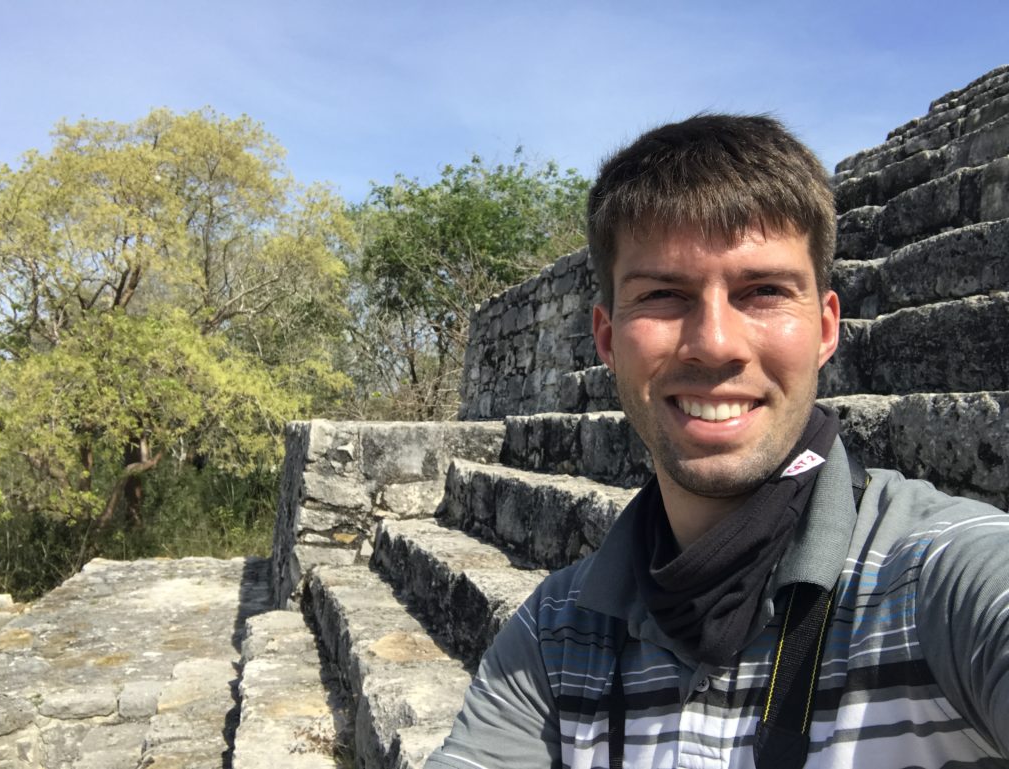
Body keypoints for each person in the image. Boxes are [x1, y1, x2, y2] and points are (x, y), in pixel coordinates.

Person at [425, 115, 1009, 769]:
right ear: (609, 341)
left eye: (762, 291)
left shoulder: (934, 579)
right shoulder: (553, 635)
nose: (715, 344)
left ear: (824, 329)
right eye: (664, 295)